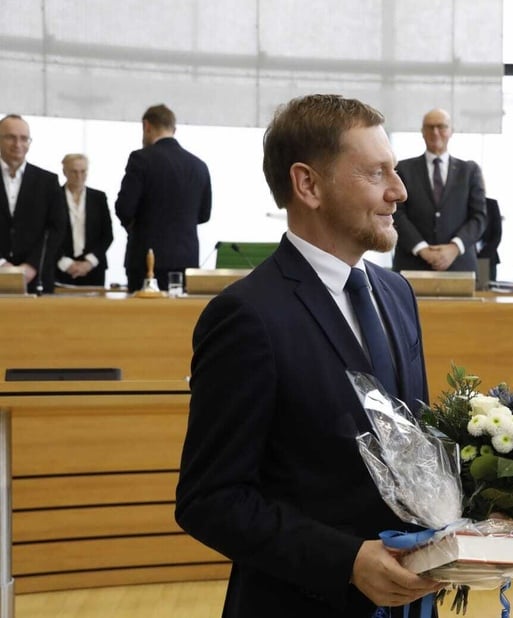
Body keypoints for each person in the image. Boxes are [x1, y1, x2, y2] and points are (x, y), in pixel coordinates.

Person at [175, 94, 441, 618]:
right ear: (308, 185)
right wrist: (345, 560)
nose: (400, 190)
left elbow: (412, 447)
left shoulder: (396, 293)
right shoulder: (246, 316)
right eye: (376, 173)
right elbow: (209, 500)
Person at [115, 103, 212, 292]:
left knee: (142, 319)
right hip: (186, 260)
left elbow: (124, 208)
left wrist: (137, 226)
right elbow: (204, 215)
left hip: (146, 260)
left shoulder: (141, 159)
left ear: (147, 126)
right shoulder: (199, 166)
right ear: (174, 129)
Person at [393, 108, 486, 272]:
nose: (435, 132)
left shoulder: (470, 171)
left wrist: (454, 247)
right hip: (412, 265)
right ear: (422, 132)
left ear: (451, 131)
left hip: (459, 266)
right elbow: (396, 213)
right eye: (429, 127)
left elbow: (479, 217)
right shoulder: (403, 169)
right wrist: (422, 249)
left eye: (441, 127)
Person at [0, 114, 66, 294]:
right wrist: (1, 264)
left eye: (24, 138)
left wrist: (32, 265)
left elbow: (57, 228)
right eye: (10, 137)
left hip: (37, 279)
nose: (17, 144)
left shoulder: (48, 182)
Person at [55, 153, 113, 287]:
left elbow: (107, 235)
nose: (79, 176)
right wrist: (65, 262)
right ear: (64, 172)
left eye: (83, 171)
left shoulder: (99, 198)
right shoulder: (53, 197)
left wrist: (89, 262)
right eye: (74, 171)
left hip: (93, 269)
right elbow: (48, 233)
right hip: (61, 268)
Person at [477, 197, 502, 282]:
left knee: (487, 292)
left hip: (487, 258)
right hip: (464, 259)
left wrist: (483, 255)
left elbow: (497, 234)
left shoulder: (491, 204)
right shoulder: (461, 204)